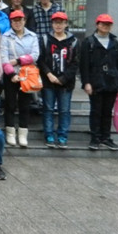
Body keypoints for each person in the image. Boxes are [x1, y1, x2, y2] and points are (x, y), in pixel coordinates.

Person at [80, 13, 118, 151]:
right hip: (95, 81)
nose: (105, 26)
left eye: (108, 24)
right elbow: (84, 65)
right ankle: (95, 138)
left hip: (112, 81)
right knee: (96, 111)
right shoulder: (89, 42)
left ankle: (106, 137)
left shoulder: (114, 42)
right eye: (103, 23)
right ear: (97, 25)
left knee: (107, 111)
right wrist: (86, 82)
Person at [38, 12, 79, 149]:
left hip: (66, 83)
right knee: (48, 109)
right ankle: (49, 135)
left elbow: (75, 63)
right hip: (48, 81)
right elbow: (41, 60)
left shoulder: (73, 41)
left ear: (66, 24)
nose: (58, 25)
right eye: (56, 22)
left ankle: (62, 136)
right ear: (52, 24)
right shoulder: (45, 39)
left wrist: (63, 78)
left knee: (64, 110)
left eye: (61, 22)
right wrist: (49, 74)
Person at [0, 10, 39, 148]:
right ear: (11, 22)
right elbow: (4, 57)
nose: (17, 23)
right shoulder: (6, 36)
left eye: (20, 20)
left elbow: (35, 55)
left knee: (25, 105)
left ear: (24, 21)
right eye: (14, 20)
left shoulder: (32, 36)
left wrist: (17, 60)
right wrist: (12, 74)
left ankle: (23, 133)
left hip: (27, 75)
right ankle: (10, 132)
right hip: (11, 75)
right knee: (10, 104)